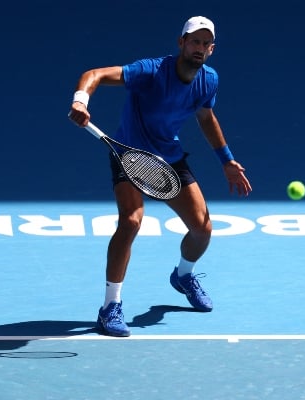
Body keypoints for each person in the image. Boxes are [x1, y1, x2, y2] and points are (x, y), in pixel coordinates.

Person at [68, 16, 252, 337]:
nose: (200, 47)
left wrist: (227, 161)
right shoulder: (150, 71)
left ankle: (183, 276)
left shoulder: (208, 80)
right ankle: (110, 305)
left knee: (202, 229)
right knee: (131, 222)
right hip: (128, 153)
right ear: (181, 43)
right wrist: (80, 100)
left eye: (206, 43)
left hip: (169, 157)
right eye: (194, 41)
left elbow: (206, 117)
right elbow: (93, 74)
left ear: (211, 49)